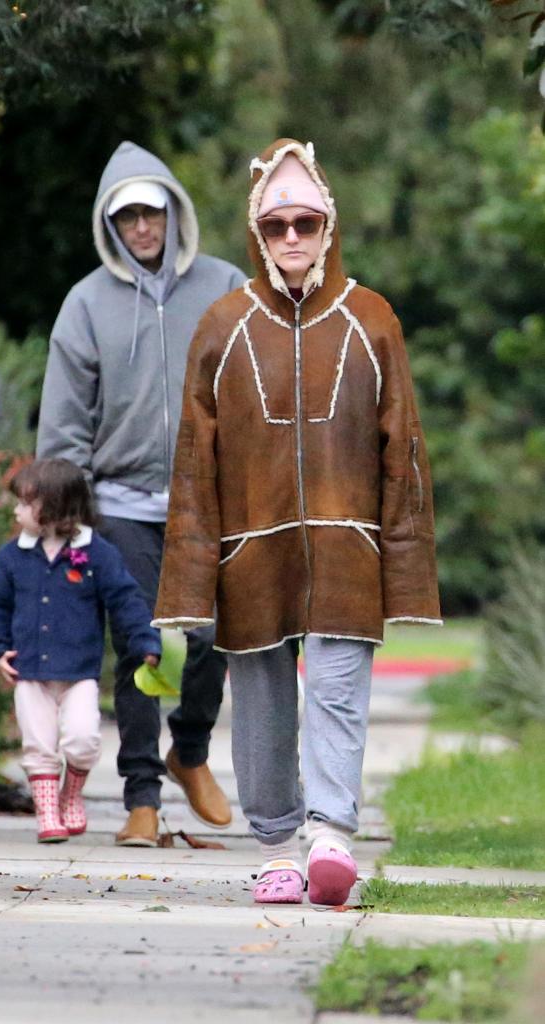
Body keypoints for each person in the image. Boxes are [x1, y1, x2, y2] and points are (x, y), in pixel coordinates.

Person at [152, 139, 442, 904]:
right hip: (249, 553)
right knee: (263, 705)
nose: (290, 238)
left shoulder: (372, 320)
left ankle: (331, 839)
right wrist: (189, 582)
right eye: (276, 224)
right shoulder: (221, 324)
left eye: (304, 223)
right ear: (256, 232)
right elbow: (193, 465)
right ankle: (278, 846)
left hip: (348, 547)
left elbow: (402, 449)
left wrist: (405, 569)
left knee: (339, 693)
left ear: (327, 227)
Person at [36, 141, 247, 846]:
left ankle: (188, 753)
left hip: (207, 502)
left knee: (214, 639)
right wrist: (63, 518)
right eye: (126, 217)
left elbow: (257, 396)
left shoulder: (222, 286)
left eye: (151, 213)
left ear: (172, 213)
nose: (142, 229)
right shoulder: (86, 303)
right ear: (111, 223)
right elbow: (63, 423)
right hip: (120, 504)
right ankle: (141, 800)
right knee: (143, 647)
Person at [0, 458, 161, 844]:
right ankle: (48, 813)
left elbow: (126, 599)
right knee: (38, 743)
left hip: (79, 671)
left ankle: (71, 793)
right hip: (30, 671)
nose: (16, 510)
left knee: (82, 740)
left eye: (24, 503)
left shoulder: (96, 553)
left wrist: (145, 640)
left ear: (54, 507)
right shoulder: (13, 556)